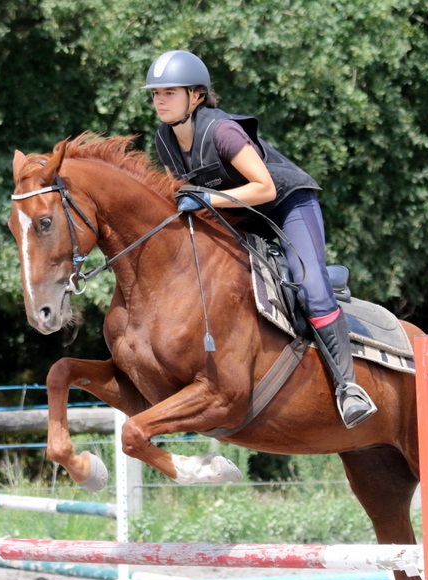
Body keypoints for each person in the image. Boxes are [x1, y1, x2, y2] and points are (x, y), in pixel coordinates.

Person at [143, 49, 377, 428]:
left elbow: (264, 188)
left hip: (287, 205)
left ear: (196, 96)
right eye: (156, 93)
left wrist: (207, 198)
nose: (159, 100)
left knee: (309, 287)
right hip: (241, 214)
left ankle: (348, 388)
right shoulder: (164, 140)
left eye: (169, 92)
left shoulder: (222, 131)